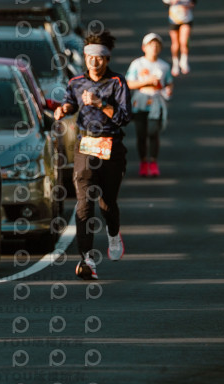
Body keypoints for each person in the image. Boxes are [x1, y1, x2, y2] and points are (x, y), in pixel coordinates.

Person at [54, 31, 132, 279]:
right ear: (85, 58)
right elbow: (70, 102)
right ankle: (86, 258)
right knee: (84, 203)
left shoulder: (117, 83)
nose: (94, 62)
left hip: (111, 146)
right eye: (89, 57)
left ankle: (113, 233)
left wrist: (101, 103)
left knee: (107, 203)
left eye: (99, 58)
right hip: (85, 145)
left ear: (107, 59)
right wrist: (64, 109)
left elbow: (124, 118)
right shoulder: (76, 82)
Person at [125, 33, 174, 177]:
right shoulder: (137, 64)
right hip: (140, 103)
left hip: (156, 104)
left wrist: (169, 89)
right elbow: (129, 83)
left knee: (153, 132)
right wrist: (146, 82)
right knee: (141, 134)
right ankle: (143, 162)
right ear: (144, 47)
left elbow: (169, 82)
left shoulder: (164, 66)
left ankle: (153, 162)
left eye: (157, 45)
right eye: (151, 45)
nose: (154, 48)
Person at [162, 0, 196, 76]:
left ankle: (184, 62)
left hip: (187, 19)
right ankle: (175, 63)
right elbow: (165, 2)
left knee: (184, 42)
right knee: (175, 43)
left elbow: (194, 2)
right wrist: (173, 2)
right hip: (174, 19)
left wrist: (188, 6)